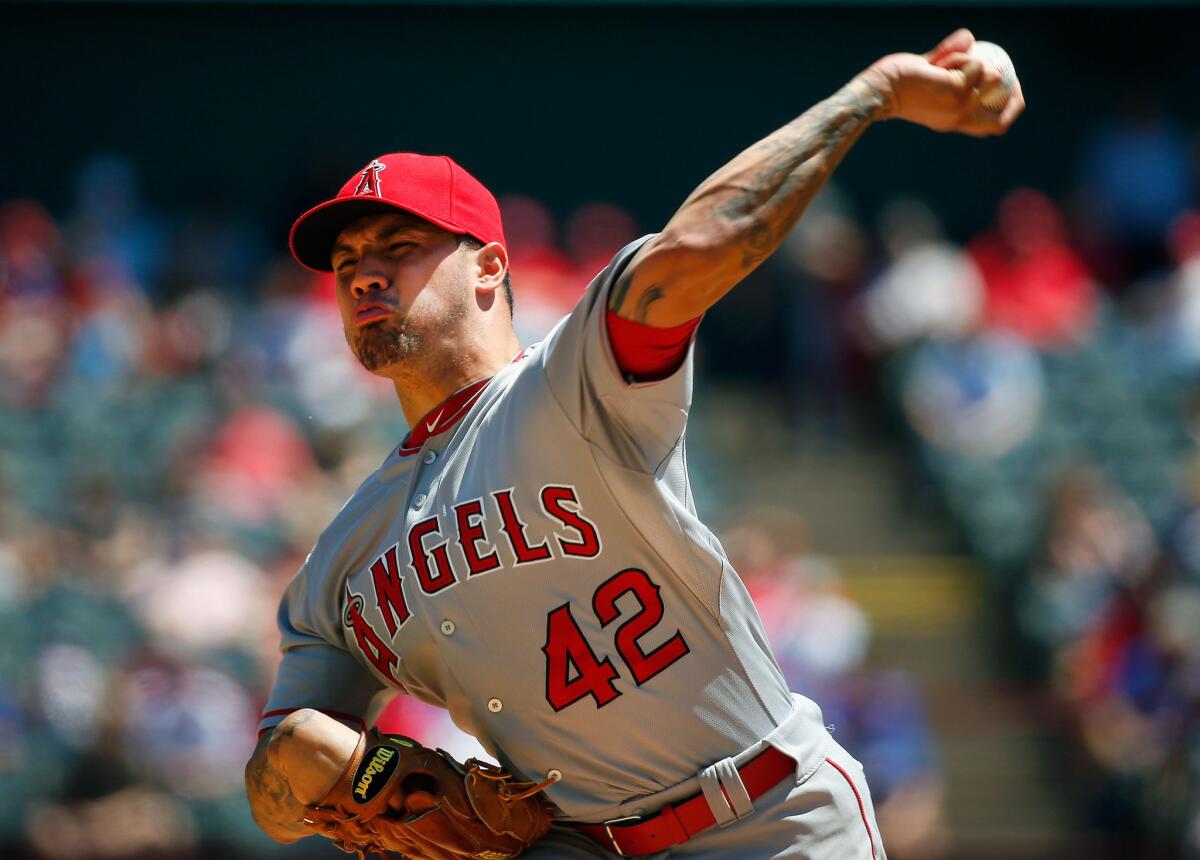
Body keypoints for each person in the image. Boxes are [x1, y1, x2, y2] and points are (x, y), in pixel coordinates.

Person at [244, 28, 1023, 859]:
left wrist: (870, 97)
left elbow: (695, 250)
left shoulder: (573, 383)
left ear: (489, 269)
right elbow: (277, 785)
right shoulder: (343, 560)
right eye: (347, 259)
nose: (364, 271)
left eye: (399, 248)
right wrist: (340, 778)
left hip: (769, 819)